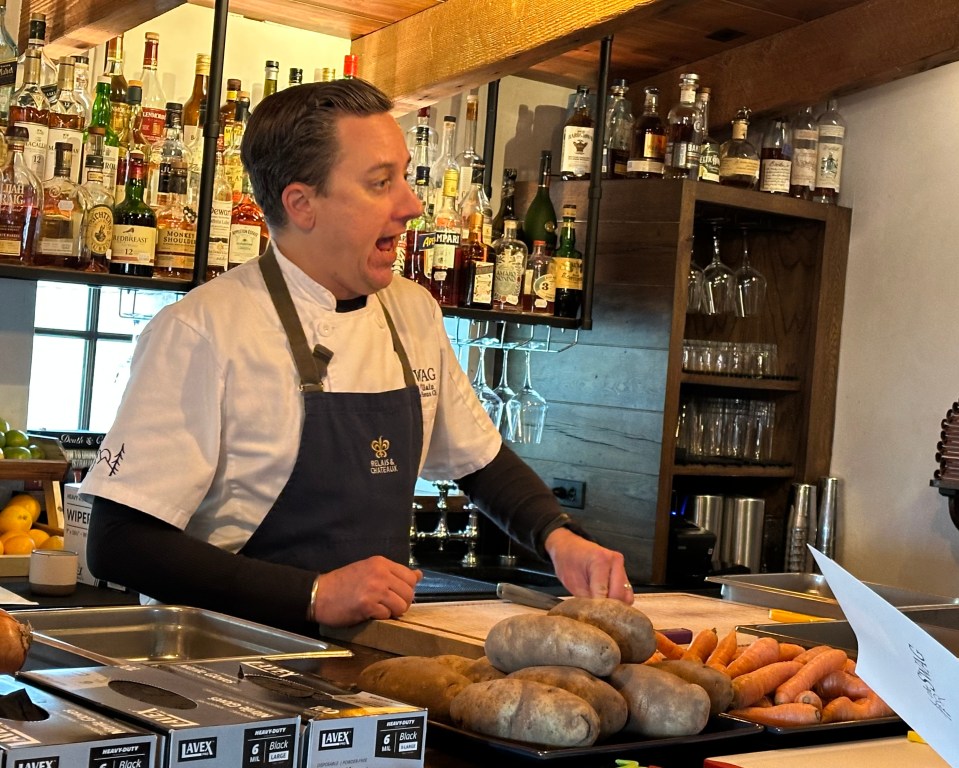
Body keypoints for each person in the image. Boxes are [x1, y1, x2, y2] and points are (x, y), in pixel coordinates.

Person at [83, 78, 632, 634]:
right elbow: (118, 543)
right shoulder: (200, 332)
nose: (411, 205)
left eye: (406, 178)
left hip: (370, 662)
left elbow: (479, 461)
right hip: (233, 666)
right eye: (380, 183)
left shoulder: (412, 311)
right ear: (302, 204)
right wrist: (313, 593)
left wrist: (560, 538)